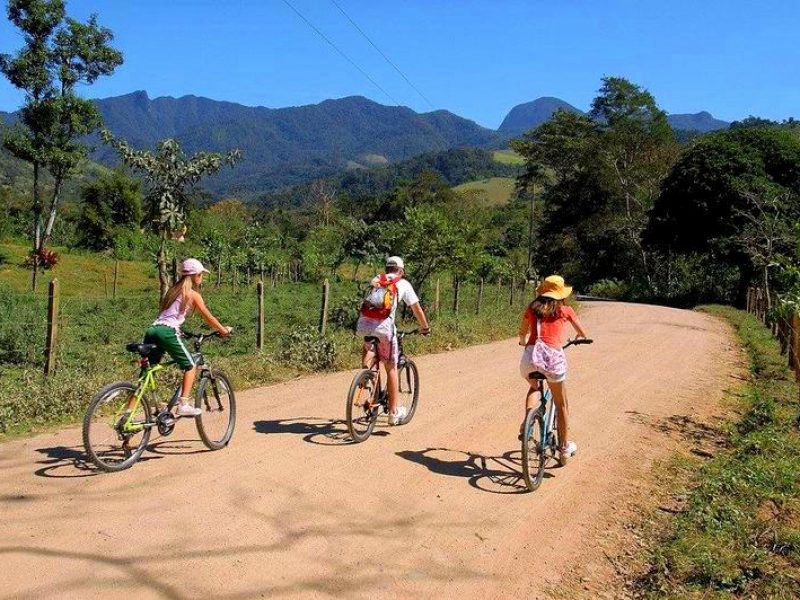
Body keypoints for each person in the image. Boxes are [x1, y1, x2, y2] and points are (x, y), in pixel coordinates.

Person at [141, 258, 231, 416]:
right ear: (196, 275)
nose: (202, 278)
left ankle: (129, 413)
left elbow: (168, 316)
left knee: (147, 374)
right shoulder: (192, 294)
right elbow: (208, 317)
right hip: (167, 332)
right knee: (190, 366)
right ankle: (183, 404)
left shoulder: (172, 291)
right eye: (201, 275)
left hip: (153, 329)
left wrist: (181, 331)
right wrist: (223, 330)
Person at [518, 275, 588, 464]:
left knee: (534, 387)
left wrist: (523, 341)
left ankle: (528, 423)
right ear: (561, 294)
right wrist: (578, 337)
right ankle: (564, 449)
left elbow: (522, 332)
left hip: (530, 358)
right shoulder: (565, 310)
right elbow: (582, 332)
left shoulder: (532, 308)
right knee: (561, 404)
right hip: (552, 360)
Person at [356, 256, 431, 425]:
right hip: (385, 330)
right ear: (401, 270)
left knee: (371, 354)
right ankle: (393, 412)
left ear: (387, 268)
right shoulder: (402, 283)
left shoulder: (377, 280)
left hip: (364, 325)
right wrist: (425, 327)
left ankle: (366, 376)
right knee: (391, 366)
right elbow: (416, 308)